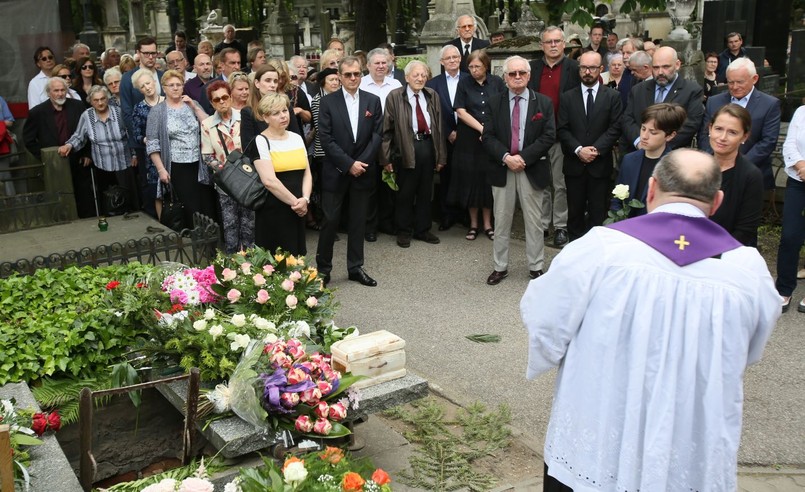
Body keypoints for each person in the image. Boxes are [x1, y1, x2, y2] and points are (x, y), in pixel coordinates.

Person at [522, 148, 780, 492]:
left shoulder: (601, 249)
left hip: (598, 435)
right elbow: (750, 350)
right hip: (687, 444)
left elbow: (545, 318)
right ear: (716, 201)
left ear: (651, 188)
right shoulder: (747, 271)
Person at [482, 56, 555, 285]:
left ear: (529, 75)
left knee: (534, 222)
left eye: (521, 73)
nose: (517, 77)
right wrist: (506, 157)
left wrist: (523, 158)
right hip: (502, 167)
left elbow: (549, 136)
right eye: (512, 73)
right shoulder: (494, 102)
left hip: (530, 167)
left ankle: (536, 267)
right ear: (505, 77)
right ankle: (500, 267)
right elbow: (488, 136)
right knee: (501, 220)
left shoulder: (543, 103)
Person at [316, 56, 383, 287]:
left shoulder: (372, 101)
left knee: (358, 221)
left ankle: (355, 267)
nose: (353, 78)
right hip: (335, 171)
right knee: (330, 220)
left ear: (361, 74)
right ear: (340, 77)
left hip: (363, 171)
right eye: (348, 75)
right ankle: (323, 270)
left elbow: (377, 136)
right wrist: (348, 164)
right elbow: (325, 138)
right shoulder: (328, 102)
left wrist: (360, 164)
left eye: (356, 74)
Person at [557, 51, 622, 241]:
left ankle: (596, 249)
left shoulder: (612, 97)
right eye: (584, 67)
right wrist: (578, 150)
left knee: (598, 211)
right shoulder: (567, 97)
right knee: (575, 211)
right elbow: (562, 128)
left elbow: (615, 127)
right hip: (574, 165)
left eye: (592, 68)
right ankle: (575, 247)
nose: (587, 72)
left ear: (601, 69)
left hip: (599, 165)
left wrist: (595, 150)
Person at [381, 60, 447, 247]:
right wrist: (385, 157)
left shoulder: (432, 95)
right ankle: (403, 230)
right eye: (416, 75)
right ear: (407, 77)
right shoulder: (395, 96)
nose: (420, 78)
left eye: (423, 75)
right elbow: (387, 129)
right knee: (405, 192)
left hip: (427, 146)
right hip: (406, 148)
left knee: (426, 191)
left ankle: (423, 229)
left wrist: (441, 156)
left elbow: (440, 127)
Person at [528, 26, 581, 247]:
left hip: (562, 135)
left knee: (559, 184)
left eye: (557, 41)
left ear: (563, 44)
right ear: (542, 45)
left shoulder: (574, 68)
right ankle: (541, 225)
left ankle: (560, 226)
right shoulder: (532, 68)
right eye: (548, 41)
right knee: (540, 183)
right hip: (537, 137)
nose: (553, 45)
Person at [146, 70, 217, 227]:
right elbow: (152, 144)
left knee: (204, 205)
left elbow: (209, 126)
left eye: (179, 84)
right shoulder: (157, 112)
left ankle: (208, 243)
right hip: (176, 166)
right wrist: (161, 170)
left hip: (199, 164)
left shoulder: (192, 104)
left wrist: (194, 106)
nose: (176, 88)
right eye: (171, 85)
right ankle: (189, 241)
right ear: (164, 88)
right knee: (186, 205)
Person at [698, 57, 781, 190]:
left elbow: (768, 141)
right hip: (715, 173)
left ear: (754, 79)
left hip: (751, 174)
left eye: (740, 82)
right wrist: (713, 161)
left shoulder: (769, 104)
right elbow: (704, 134)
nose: (735, 87)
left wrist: (737, 165)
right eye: (730, 82)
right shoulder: (714, 102)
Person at [247, 92, 312, 255]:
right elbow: (269, 181)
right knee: (276, 258)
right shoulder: (260, 141)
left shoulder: (297, 138)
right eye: (276, 113)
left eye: (284, 111)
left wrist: (305, 199)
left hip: (298, 206)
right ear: (265, 117)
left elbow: (307, 173)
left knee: (297, 255)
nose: (283, 116)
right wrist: (295, 203)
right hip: (274, 208)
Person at [451, 49, 505, 241]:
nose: (474, 70)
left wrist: (490, 131)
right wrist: (483, 131)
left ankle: (488, 224)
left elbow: (502, 109)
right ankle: (473, 224)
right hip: (469, 139)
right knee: (471, 181)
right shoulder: (464, 83)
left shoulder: (497, 83)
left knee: (487, 180)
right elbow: (460, 111)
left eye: (478, 66)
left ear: (486, 66)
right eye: (471, 67)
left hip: (492, 139)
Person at [58, 85, 137, 214]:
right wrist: (69, 145)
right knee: (108, 203)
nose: (100, 103)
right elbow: (79, 136)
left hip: (124, 162)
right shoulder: (86, 116)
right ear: (90, 101)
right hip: (102, 165)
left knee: (129, 200)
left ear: (108, 98)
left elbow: (130, 134)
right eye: (96, 100)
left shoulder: (119, 112)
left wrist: (134, 155)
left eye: (103, 99)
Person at [23, 77, 94, 217]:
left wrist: (87, 153)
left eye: (63, 90)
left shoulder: (78, 106)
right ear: (49, 92)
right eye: (56, 91)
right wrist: (45, 157)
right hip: (54, 164)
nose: (60, 94)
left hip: (78, 159)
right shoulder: (37, 112)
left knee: (84, 195)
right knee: (60, 197)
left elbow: (89, 131)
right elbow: (29, 139)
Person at [200, 80, 255, 253]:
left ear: (231, 97)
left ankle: (252, 262)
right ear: (211, 103)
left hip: (249, 179)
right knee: (230, 225)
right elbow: (207, 156)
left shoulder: (245, 116)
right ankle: (233, 265)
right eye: (217, 100)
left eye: (225, 97)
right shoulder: (207, 124)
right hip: (226, 182)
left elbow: (254, 146)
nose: (222, 101)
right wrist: (225, 171)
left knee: (249, 224)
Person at [621, 46, 703, 155]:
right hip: (639, 153)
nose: (660, 72)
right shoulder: (638, 89)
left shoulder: (692, 91)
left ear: (677, 65)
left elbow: (690, 125)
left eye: (665, 67)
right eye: (655, 67)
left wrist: (659, 147)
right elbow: (628, 119)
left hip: (672, 156)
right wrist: (640, 142)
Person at [612, 103, 686, 215]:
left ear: (670, 135)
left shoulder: (675, 167)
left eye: (653, 132)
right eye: (643, 128)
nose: (644, 136)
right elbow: (617, 198)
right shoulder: (629, 160)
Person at [360, 47, 402, 241]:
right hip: (367, 141)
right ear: (368, 65)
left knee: (389, 184)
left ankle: (387, 222)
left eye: (384, 62)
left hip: (391, 141)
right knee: (370, 185)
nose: (381, 66)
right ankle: (370, 226)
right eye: (376, 63)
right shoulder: (360, 84)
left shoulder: (396, 85)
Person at [426, 44, 469, 231]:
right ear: (441, 62)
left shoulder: (469, 80)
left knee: (467, 176)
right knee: (446, 177)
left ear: (460, 59)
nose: (452, 60)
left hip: (468, 137)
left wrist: (462, 131)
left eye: (455, 57)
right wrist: (448, 132)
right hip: (444, 138)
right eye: (448, 58)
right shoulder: (433, 84)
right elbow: (432, 114)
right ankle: (447, 215)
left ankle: (466, 215)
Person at [707, 104, 764, 246]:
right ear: (710, 129)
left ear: (744, 136)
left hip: (729, 252)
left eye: (732, 132)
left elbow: (745, 230)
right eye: (718, 129)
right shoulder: (694, 167)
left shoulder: (751, 176)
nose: (722, 137)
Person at [777, 105, 805, 313]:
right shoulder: (801, 112)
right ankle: (784, 288)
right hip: (799, 180)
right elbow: (790, 145)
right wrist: (801, 166)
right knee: (790, 236)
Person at [131, 69, 165, 218]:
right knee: (157, 192)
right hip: (153, 155)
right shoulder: (139, 108)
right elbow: (136, 134)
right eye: (143, 86)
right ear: (140, 90)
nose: (147, 87)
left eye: (148, 83)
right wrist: (146, 140)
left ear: (154, 81)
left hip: (174, 152)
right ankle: (163, 223)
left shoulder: (168, 101)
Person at [242, 64, 301, 150]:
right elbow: (248, 147)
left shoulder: (286, 107)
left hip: (288, 155)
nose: (273, 85)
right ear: (257, 83)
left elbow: (297, 137)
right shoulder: (248, 112)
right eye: (268, 80)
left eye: (275, 81)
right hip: (261, 159)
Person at [199, 47, 242, 114]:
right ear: (222, 65)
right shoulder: (208, 88)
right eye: (233, 63)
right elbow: (206, 114)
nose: (237, 67)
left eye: (238, 63)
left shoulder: (246, 84)